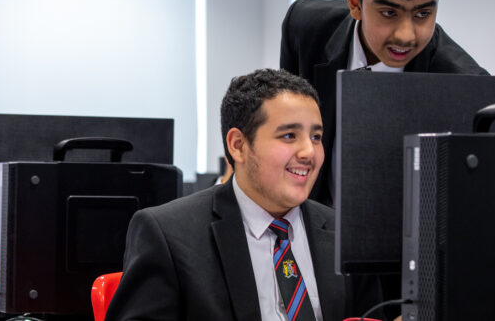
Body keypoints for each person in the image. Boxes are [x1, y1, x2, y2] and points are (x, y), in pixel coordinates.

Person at [105, 68, 386, 321]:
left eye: (315, 137)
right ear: (238, 145)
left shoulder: (343, 234)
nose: (309, 152)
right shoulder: (168, 235)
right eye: (289, 136)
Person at [280, 0, 488, 205]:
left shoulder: (462, 83)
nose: (406, 35)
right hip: (313, 231)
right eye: (389, 13)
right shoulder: (305, 28)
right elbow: (285, 134)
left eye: (422, 14)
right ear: (355, 3)